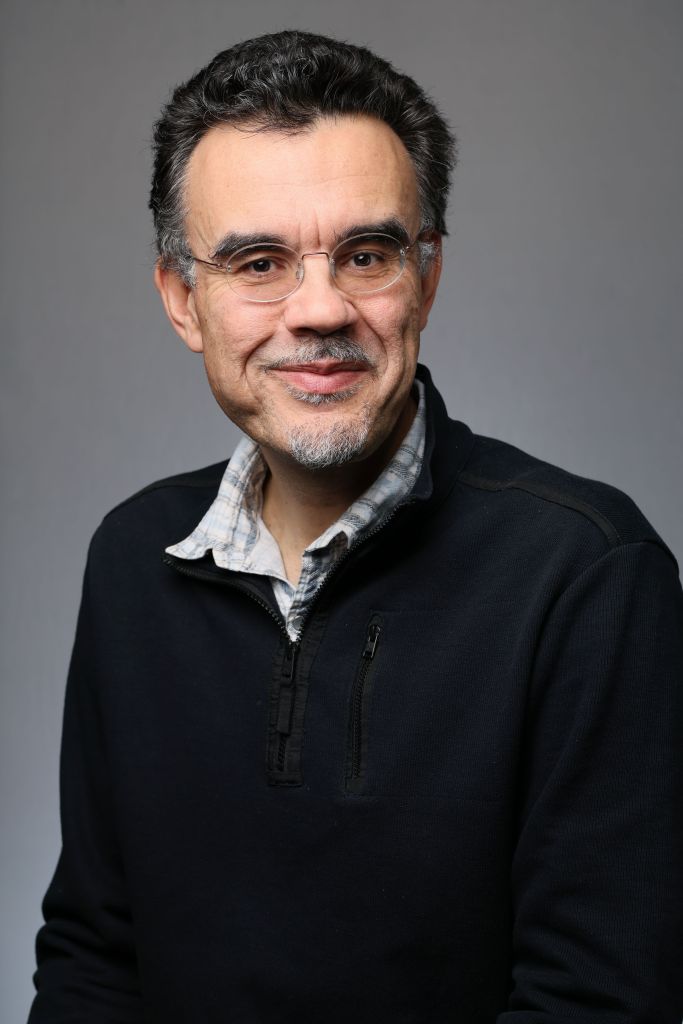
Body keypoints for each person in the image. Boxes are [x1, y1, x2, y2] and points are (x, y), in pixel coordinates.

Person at [29, 29, 683, 1024]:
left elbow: (597, 1003)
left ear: (423, 276)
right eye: (258, 260)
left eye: (366, 254)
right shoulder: (132, 558)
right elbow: (91, 958)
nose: (319, 309)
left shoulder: (587, 573)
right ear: (180, 298)